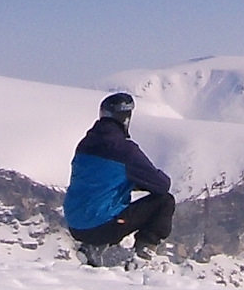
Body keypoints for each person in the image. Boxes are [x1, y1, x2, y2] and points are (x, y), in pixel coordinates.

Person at [64, 91, 174, 266]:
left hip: (75, 225)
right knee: (164, 201)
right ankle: (143, 257)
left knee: (102, 208)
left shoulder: (84, 145)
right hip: (102, 226)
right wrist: (136, 182)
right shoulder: (125, 150)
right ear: (125, 118)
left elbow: (100, 181)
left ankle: (92, 248)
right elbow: (162, 185)